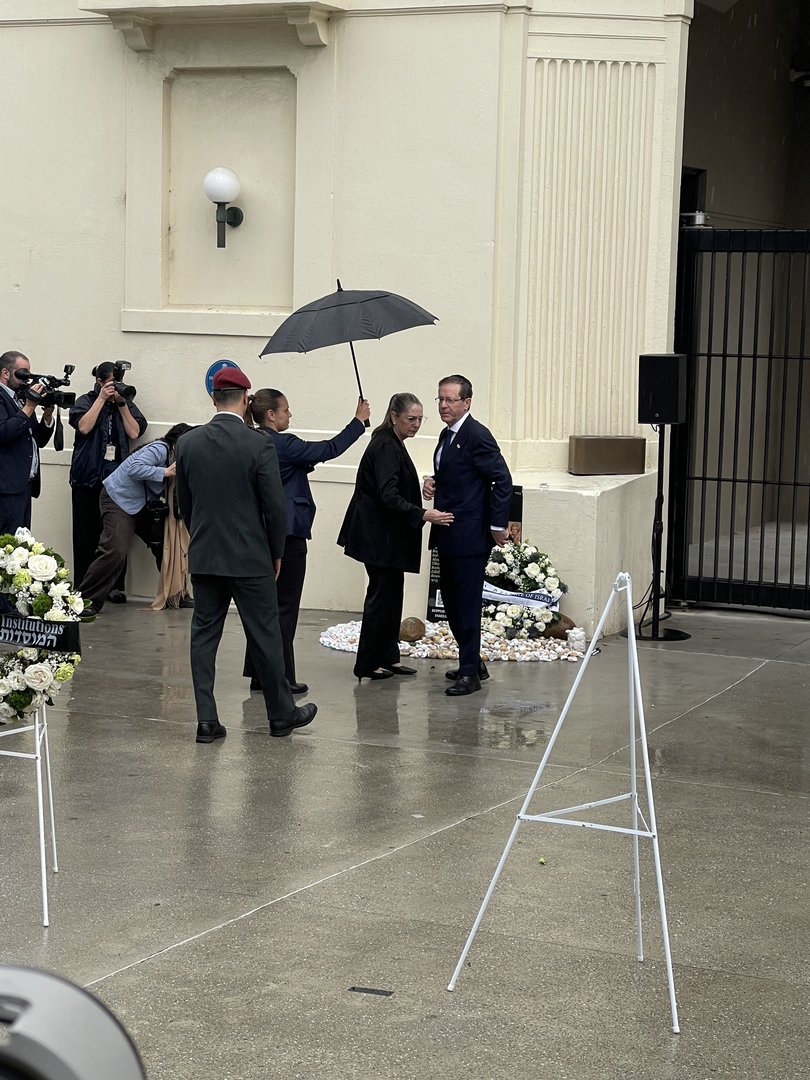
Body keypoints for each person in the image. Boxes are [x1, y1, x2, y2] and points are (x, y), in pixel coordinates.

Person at [175, 366, 317, 743]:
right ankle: (281, 714)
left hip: (206, 555)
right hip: (251, 556)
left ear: (213, 399)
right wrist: (275, 552)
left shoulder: (188, 442)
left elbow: (184, 505)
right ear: (246, 399)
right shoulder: (259, 444)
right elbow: (274, 507)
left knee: (204, 635)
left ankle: (207, 720)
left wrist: (203, 539)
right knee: (266, 634)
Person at [244, 388, 370, 695]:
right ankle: (282, 676)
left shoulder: (252, 440)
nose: (290, 415)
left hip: (258, 533)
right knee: (285, 607)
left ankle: (260, 673)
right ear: (271, 415)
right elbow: (327, 449)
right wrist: (358, 421)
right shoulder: (284, 443)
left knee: (264, 607)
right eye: (286, 410)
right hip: (288, 534)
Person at [338, 392, 453, 681]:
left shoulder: (393, 442)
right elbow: (388, 495)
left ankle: (388, 656)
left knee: (391, 596)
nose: (416, 424)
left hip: (387, 538)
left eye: (419, 419)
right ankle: (366, 663)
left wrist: (424, 483)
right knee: (380, 598)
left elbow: (398, 484)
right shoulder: (386, 445)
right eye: (410, 419)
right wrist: (422, 514)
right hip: (379, 538)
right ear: (393, 417)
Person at [422, 375, 512, 696]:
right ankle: (473, 662)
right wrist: (433, 482)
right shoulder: (448, 435)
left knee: (467, 603)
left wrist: (497, 525)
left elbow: (502, 480)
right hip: (447, 532)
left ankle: (470, 673)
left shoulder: (477, 435)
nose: (444, 406)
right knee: (451, 599)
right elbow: (456, 474)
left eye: (450, 400)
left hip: (470, 536)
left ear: (467, 402)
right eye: (440, 400)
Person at [78, 423, 192, 615]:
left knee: (168, 545)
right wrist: (165, 472)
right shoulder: (159, 448)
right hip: (118, 499)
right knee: (114, 549)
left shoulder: (176, 456)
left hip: (141, 504)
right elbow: (134, 468)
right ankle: (85, 601)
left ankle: (176, 595)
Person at [69, 362, 148, 597]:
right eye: (111, 383)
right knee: (85, 536)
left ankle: (115, 587)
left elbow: (134, 432)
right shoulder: (85, 401)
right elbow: (83, 426)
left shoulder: (125, 402)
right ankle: (82, 588)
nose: (115, 387)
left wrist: (122, 403)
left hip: (116, 482)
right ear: (100, 382)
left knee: (115, 535)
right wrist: (101, 399)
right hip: (87, 478)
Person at [0, 351, 55, 535]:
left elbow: (37, 438)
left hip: (24, 485)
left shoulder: (20, 398)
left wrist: (47, 414)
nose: (27, 379)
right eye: (23, 374)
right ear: (5, 373)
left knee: (21, 543)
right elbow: (4, 433)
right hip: (6, 488)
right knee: (7, 545)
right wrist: (30, 406)